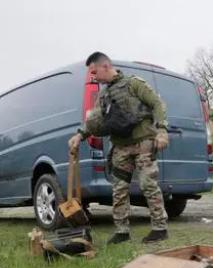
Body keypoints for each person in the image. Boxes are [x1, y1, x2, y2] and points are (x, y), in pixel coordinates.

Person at [68, 52, 170, 244]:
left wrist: (162, 130)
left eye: (94, 71)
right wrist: (79, 135)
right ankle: (122, 231)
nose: (93, 76)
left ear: (105, 66)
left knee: (148, 185)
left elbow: (157, 104)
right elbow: (95, 121)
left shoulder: (134, 84)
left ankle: (159, 228)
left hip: (143, 144)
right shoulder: (103, 95)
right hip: (120, 148)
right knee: (119, 189)